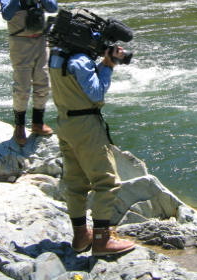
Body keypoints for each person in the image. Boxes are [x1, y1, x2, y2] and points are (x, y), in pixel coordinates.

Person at [49, 44, 136, 257]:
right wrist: (107, 65)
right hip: (86, 126)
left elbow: (78, 85)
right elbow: (96, 94)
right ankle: (101, 240)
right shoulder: (81, 60)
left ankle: (80, 237)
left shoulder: (57, 55)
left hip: (65, 122)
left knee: (75, 182)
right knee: (105, 182)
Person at [0, 0, 59, 145]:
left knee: (43, 83)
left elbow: (54, 7)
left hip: (41, 42)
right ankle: (19, 127)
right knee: (22, 86)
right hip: (20, 43)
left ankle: (38, 123)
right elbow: (6, 15)